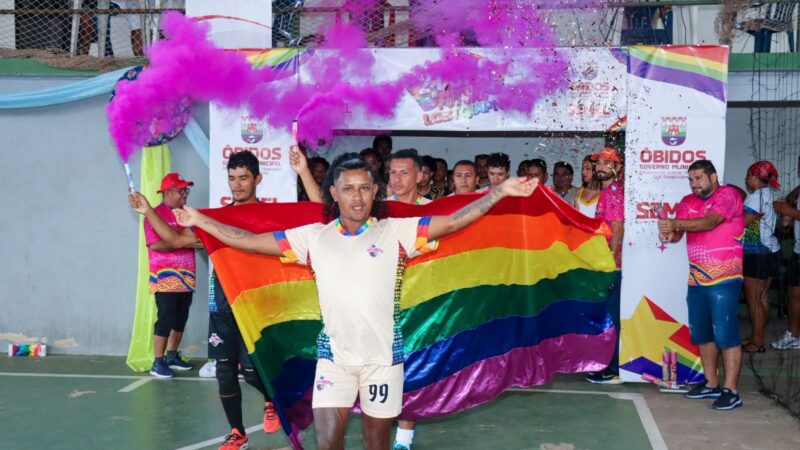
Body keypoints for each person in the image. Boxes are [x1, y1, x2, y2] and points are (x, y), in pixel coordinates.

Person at [175, 153, 539, 450]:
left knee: (375, 444)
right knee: (328, 444)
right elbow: (248, 241)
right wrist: (199, 220)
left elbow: (453, 221)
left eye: (365, 188)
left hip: (383, 361)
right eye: (348, 188)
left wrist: (501, 192)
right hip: (334, 361)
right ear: (333, 192)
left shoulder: (396, 232)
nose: (357, 196)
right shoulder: (314, 237)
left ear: (375, 191)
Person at [130, 150, 321, 450]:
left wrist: (304, 172)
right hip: (222, 305)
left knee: (252, 369)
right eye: (232, 178)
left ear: (257, 179)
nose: (237, 184)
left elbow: (317, 216)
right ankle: (237, 433)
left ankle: (272, 400)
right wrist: (149, 212)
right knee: (223, 369)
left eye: (243, 178)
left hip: (258, 307)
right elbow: (175, 240)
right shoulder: (214, 220)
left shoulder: (269, 217)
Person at [658, 160, 744, 410]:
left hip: (725, 278)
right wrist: (666, 231)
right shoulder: (687, 202)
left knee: (726, 336)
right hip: (696, 279)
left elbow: (710, 222)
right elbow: (675, 236)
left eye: (699, 178)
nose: (694, 184)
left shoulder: (728, 194)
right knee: (703, 333)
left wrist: (675, 224)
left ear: (713, 176)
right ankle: (711, 383)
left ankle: (731, 390)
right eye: (691, 179)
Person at [137, 172, 200, 378]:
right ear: (167, 192)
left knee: (181, 317)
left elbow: (200, 242)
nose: (185, 194)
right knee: (165, 318)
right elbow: (157, 245)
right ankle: (158, 362)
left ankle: (172, 356)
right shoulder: (154, 215)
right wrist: (181, 241)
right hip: (165, 278)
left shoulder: (188, 215)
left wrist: (177, 240)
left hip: (187, 276)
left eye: (185, 190)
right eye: (180, 190)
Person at [586, 147, 624, 384]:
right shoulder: (606, 193)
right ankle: (608, 364)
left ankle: (614, 368)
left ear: (617, 168)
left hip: (614, 267)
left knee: (612, 318)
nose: (600, 167)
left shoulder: (614, 193)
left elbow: (618, 229)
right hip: (605, 264)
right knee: (607, 317)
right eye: (598, 162)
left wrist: (609, 266)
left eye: (606, 163)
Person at [741, 161, 781, 353]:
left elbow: (742, 223)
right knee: (762, 297)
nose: (746, 180)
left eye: (748, 175)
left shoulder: (756, 198)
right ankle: (757, 335)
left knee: (754, 300)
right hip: (771, 250)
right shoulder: (768, 194)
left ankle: (757, 343)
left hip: (756, 254)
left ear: (756, 177)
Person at [772, 186, 800, 350]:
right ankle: (794, 336)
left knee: (794, 295)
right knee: (793, 295)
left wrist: (789, 211)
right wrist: (787, 216)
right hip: (798, 250)